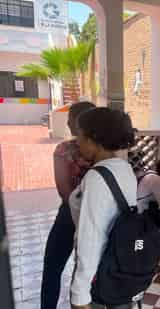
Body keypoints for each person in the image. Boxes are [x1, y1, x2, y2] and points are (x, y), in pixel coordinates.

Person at [69, 108, 137, 309]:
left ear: (94, 140)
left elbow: (91, 237)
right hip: (121, 268)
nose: (77, 141)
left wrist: (80, 294)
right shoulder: (123, 168)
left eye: (80, 135)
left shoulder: (96, 178)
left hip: (99, 276)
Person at [41, 101, 95, 309]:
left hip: (70, 216)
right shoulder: (105, 150)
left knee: (53, 268)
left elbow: (63, 190)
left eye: (72, 121)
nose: (69, 125)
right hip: (94, 216)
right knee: (83, 270)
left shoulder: (64, 150)